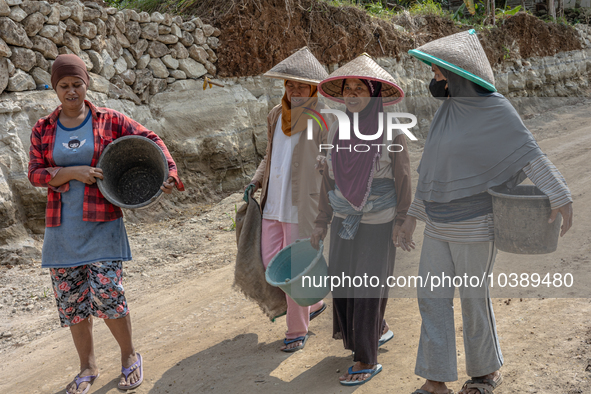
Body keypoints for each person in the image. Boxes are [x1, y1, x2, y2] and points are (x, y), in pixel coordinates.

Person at [401, 30, 574, 394]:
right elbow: (432, 173)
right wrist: (411, 218)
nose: (434, 80)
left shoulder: (496, 109)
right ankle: (435, 379)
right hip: (436, 225)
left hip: (475, 225)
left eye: (437, 73)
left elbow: (528, 153)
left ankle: (485, 372)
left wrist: (559, 195)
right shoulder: (446, 114)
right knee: (431, 300)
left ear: (457, 75)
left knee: (472, 300)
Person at [28, 54, 184, 394]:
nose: (71, 92)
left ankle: (129, 357)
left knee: (109, 295)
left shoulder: (109, 120)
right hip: (61, 231)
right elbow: (35, 174)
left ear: (87, 84)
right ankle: (88, 366)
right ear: (55, 88)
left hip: (102, 224)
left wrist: (170, 171)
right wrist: (72, 172)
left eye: (77, 84)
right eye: (64, 86)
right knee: (72, 305)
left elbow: (152, 140)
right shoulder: (43, 128)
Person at [310, 53, 412, 386]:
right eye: (348, 88)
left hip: (378, 224)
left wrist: (402, 222)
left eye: (360, 88)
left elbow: (404, 181)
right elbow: (328, 182)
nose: (352, 95)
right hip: (343, 221)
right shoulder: (336, 132)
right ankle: (376, 329)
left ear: (374, 94)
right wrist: (321, 222)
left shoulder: (392, 134)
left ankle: (366, 359)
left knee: (367, 288)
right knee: (343, 284)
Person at [246, 47, 332, 352]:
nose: (294, 90)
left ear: (313, 88)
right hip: (273, 203)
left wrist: (325, 164)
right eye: (289, 84)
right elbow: (270, 155)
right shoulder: (275, 114)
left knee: (294, 269)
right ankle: (316, 301)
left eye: (300, 85)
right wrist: (256, 180)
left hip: (302, 207)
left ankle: (297, 329)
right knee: (271, 263)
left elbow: (331, 153)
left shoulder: (323, 116)